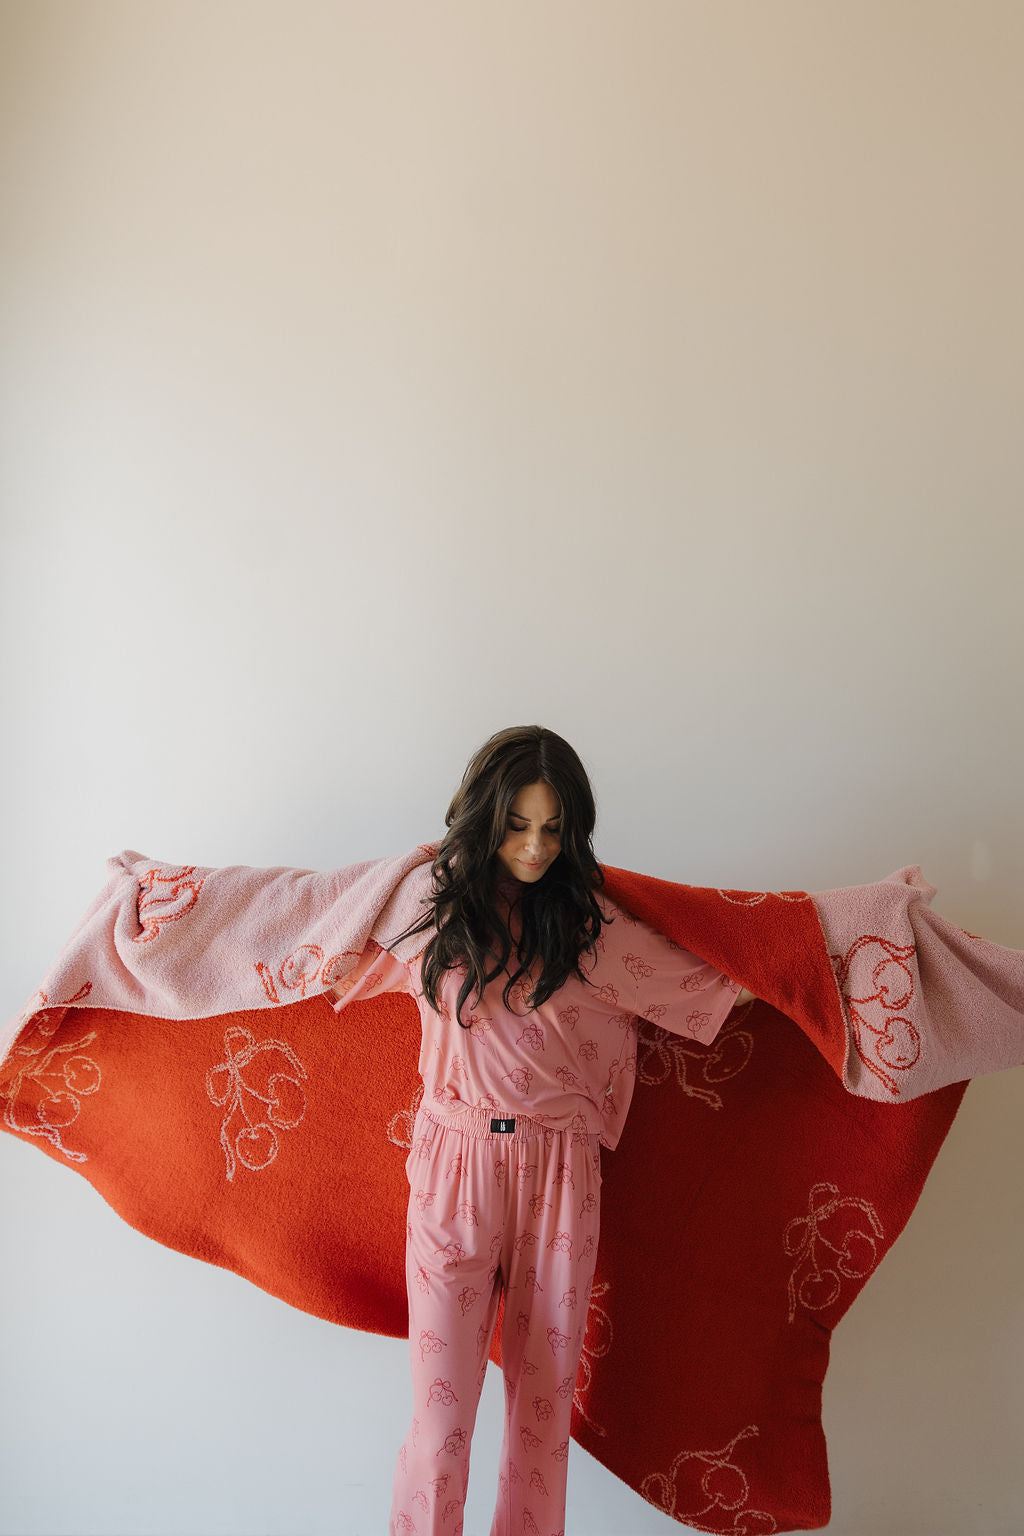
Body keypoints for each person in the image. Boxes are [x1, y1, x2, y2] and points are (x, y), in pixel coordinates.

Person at [327, 725, 756, 1536]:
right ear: (485, 819)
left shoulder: (593, 927)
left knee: (539, 1421)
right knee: (438, 1426)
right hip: (453, 1164)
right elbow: (309, 932)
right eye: (517, 824)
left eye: (552, 828)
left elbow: (724, 985)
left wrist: (825, 954)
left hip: (561, 1173)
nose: (533, 847)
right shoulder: (427, 907)